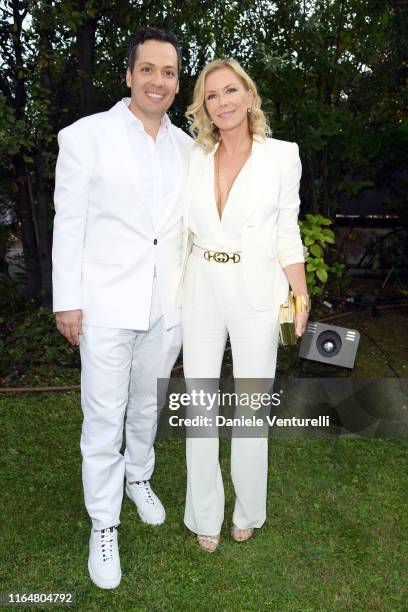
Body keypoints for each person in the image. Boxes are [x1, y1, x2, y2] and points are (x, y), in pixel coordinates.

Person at [52, 27, 193, 588]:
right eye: (149, 69)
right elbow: (70, 223)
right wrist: (68, 302)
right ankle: (103, 523)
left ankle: (139, 476)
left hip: (167, 304)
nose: (159, 81)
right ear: (129, 74)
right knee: (103, 416)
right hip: (105, 304)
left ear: (177, 83)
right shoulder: (85, 137)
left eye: (170, 72)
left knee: (145, 406)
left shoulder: (188, 147)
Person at [177, 58, 310, 552]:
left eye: (231, 91)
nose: (223, 102)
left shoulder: (282, 156)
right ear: (204, 106)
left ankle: (249, 509)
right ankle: (204, 513)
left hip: (258, 291)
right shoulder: (193, 156)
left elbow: (287, 229)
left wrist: (300, 292)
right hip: (202, 290)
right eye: (212, 95)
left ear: (249, 96)